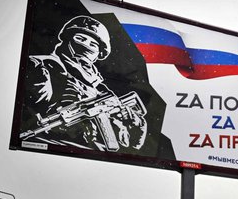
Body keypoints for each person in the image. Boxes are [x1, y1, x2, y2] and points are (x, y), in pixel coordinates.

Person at [24, 15, 147, 151]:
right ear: (67, 39)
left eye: (93, 44)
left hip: (92, 154)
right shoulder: (42, 66)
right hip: (56, 145)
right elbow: (36, 104)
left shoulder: (99, 87)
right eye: (80, 39)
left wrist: (136, 124)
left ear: (99, 53)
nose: (86, 45)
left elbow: (131, 146)